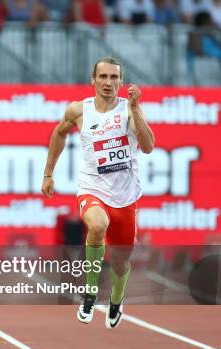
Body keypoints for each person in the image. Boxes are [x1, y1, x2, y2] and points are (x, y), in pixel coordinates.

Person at [41, 56, 155, 329]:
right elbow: (59, 133)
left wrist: (137, 109)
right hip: (91, 188)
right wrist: (48, 173)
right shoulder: (79, 111)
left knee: (119, 262)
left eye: (113, 77)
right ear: (93, 80)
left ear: (121, 81)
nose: (108, 82)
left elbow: (148, 147)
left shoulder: (130, 110)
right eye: (102, 77)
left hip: (125, 197)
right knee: (97, 224)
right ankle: (90, 292)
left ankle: (116, 297)